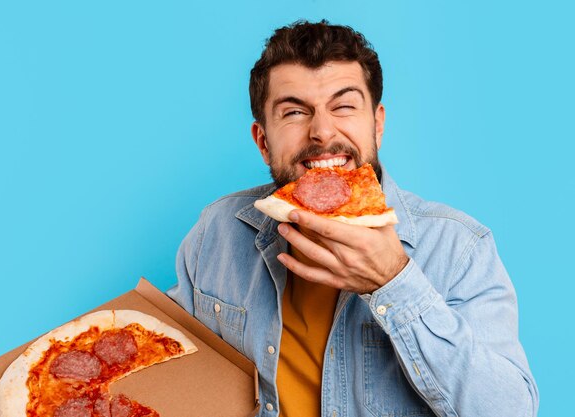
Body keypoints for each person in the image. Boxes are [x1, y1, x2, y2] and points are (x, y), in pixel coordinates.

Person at [167, 20, 539, 417]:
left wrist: (394, 280)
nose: (322, 132)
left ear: (377, 124)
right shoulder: (217, 232)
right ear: (263, 141)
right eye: (294, 112)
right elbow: (170, 372)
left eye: (343, 106)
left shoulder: (459, 248)